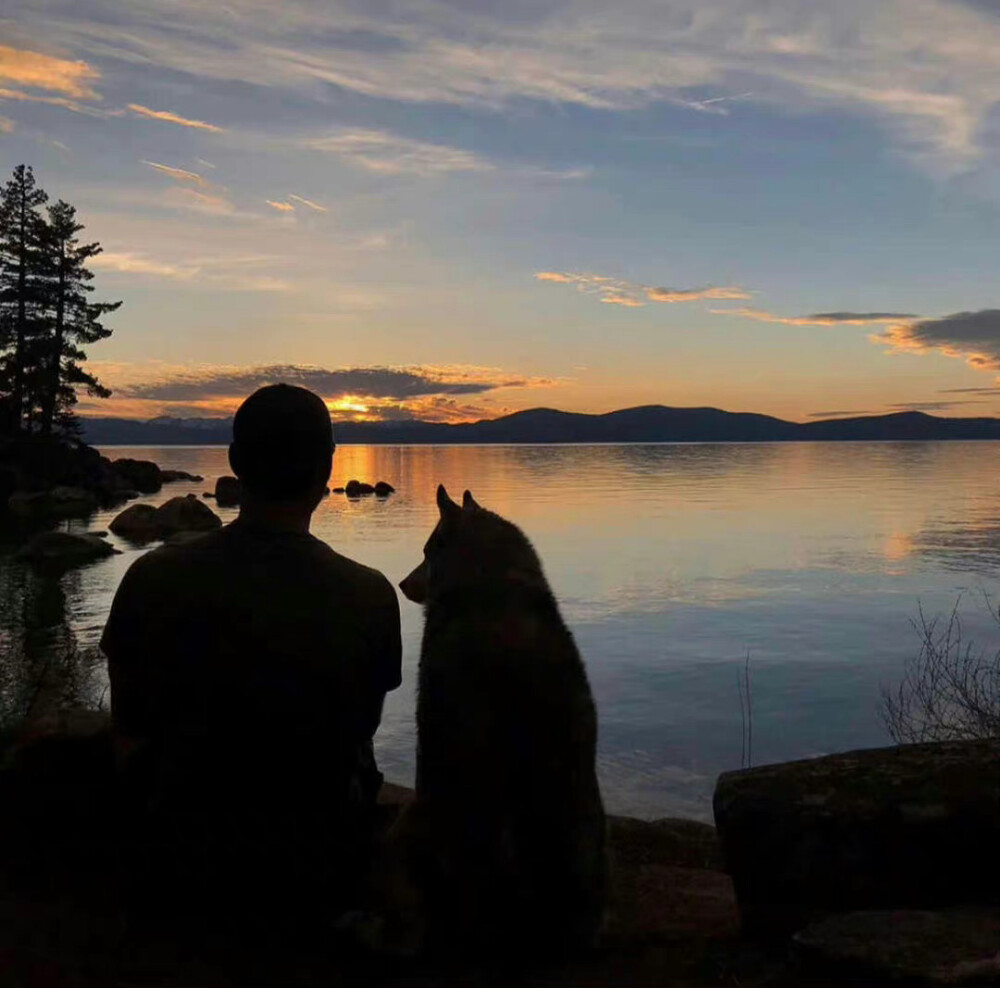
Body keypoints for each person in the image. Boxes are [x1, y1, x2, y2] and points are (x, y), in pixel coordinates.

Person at [101, 384, 402, 942]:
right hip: (315, 865)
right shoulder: (370, 595)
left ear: (236, 465)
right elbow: (358, 732)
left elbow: (127, 731)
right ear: (326, 471)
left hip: (179, 856)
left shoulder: (151, 578)